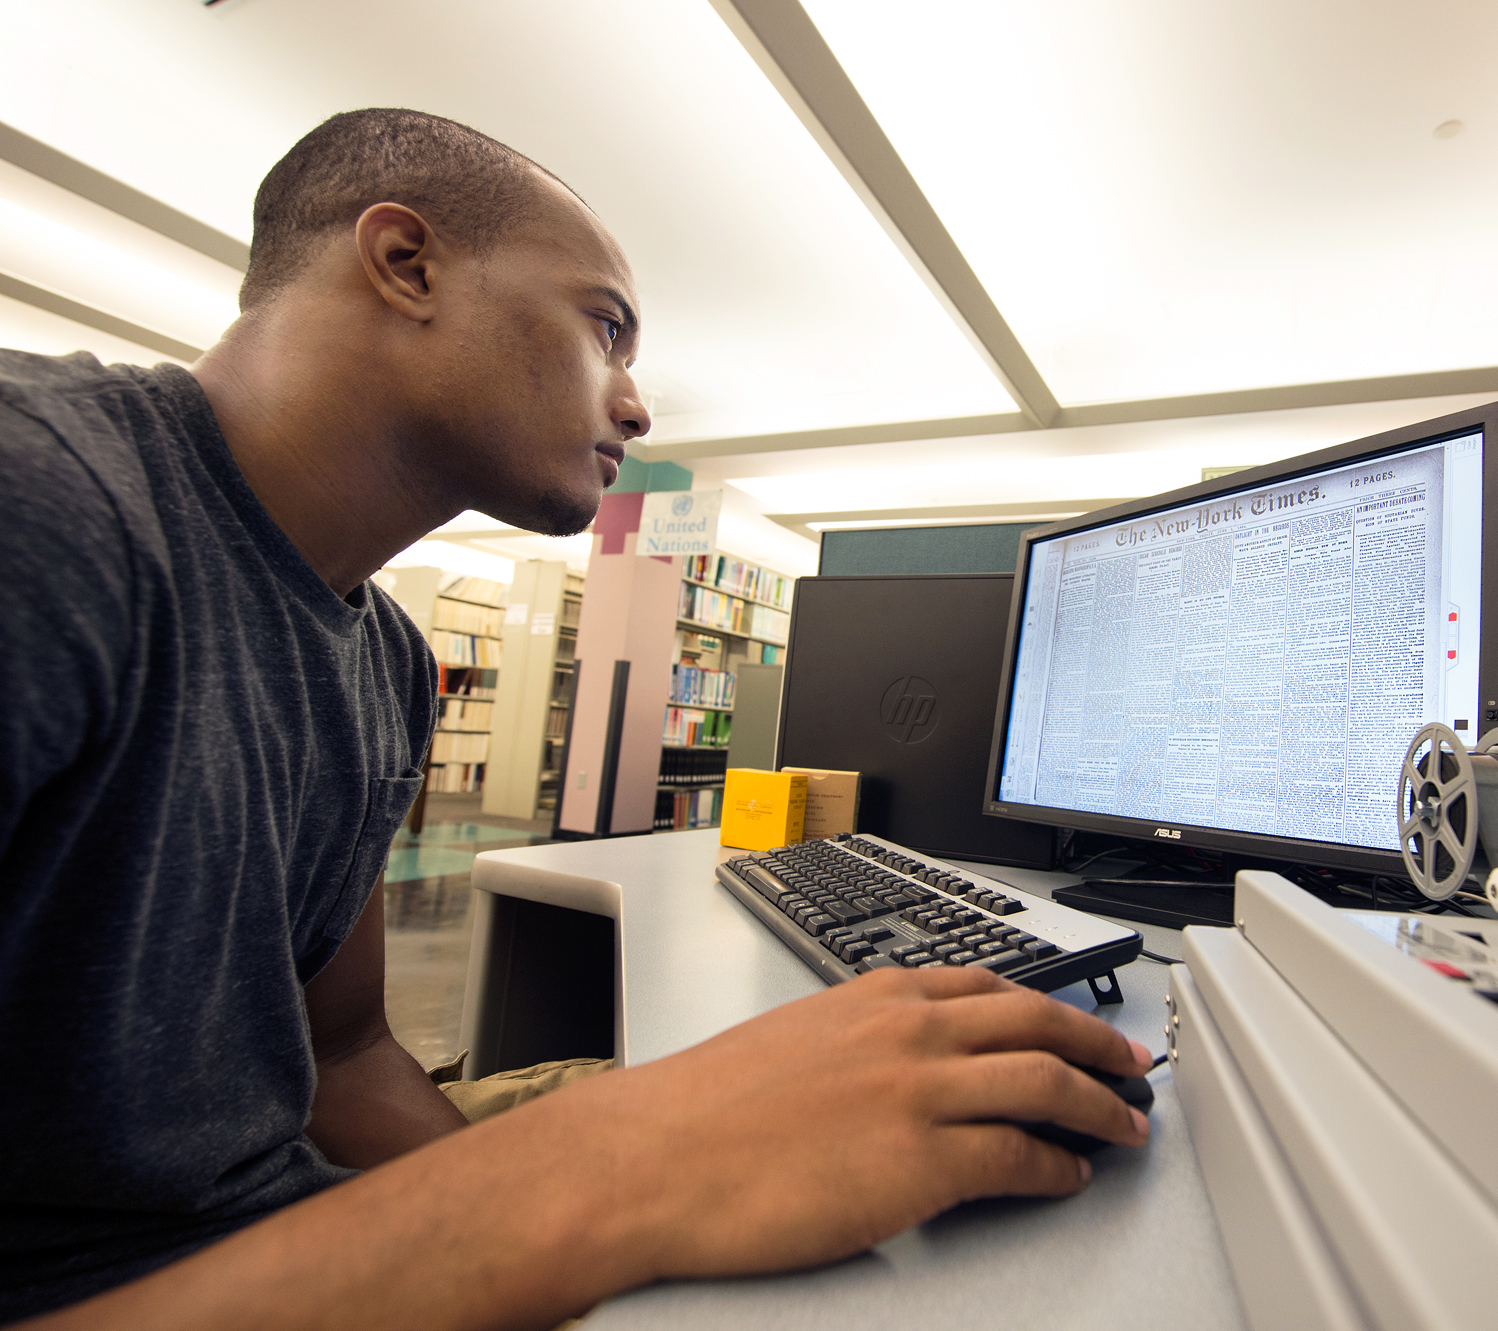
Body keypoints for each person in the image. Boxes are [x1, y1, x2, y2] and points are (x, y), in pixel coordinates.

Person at [0, 108, 1151, 1329]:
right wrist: (602, 1172)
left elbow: (340, 1056)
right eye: (606, 326)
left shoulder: (383, 658)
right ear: (406, 263)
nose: (638, 406)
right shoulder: (49, 503)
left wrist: (553, 1211)